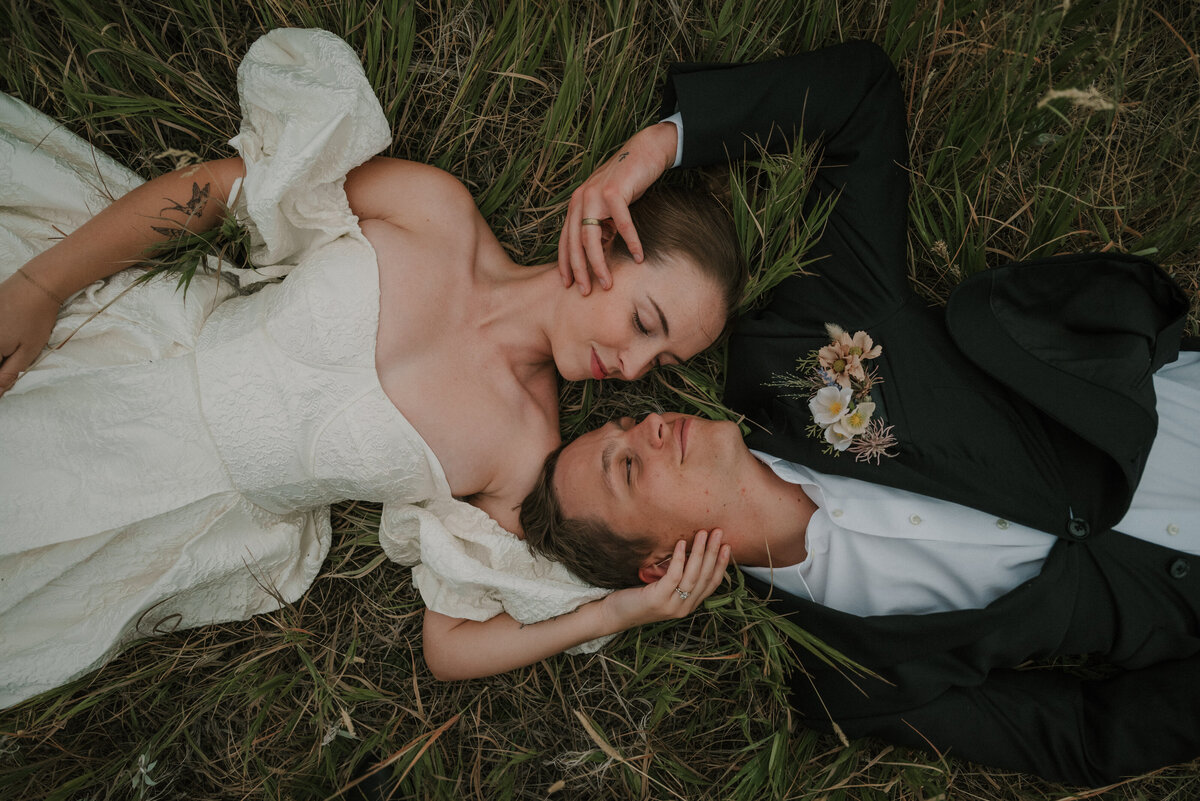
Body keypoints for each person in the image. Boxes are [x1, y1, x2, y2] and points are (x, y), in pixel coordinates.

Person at [521, 40, 1200, 786]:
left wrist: (659, 145)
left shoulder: (799, 340)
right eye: (626, 466)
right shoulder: (838, 677)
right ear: (659, 564)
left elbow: (863, 101)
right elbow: (1076, 739)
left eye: (622, 425)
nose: (647, 424)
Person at [0, 28, 737, 708]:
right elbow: (223, 192)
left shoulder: (524, 451)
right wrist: (42, 286)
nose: (633, 365)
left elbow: (448, 647)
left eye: (661, 359)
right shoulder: (436, 212)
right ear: (607, 234)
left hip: (167, 512)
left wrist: (620, 610)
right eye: (645, 323)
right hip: (136, 338)